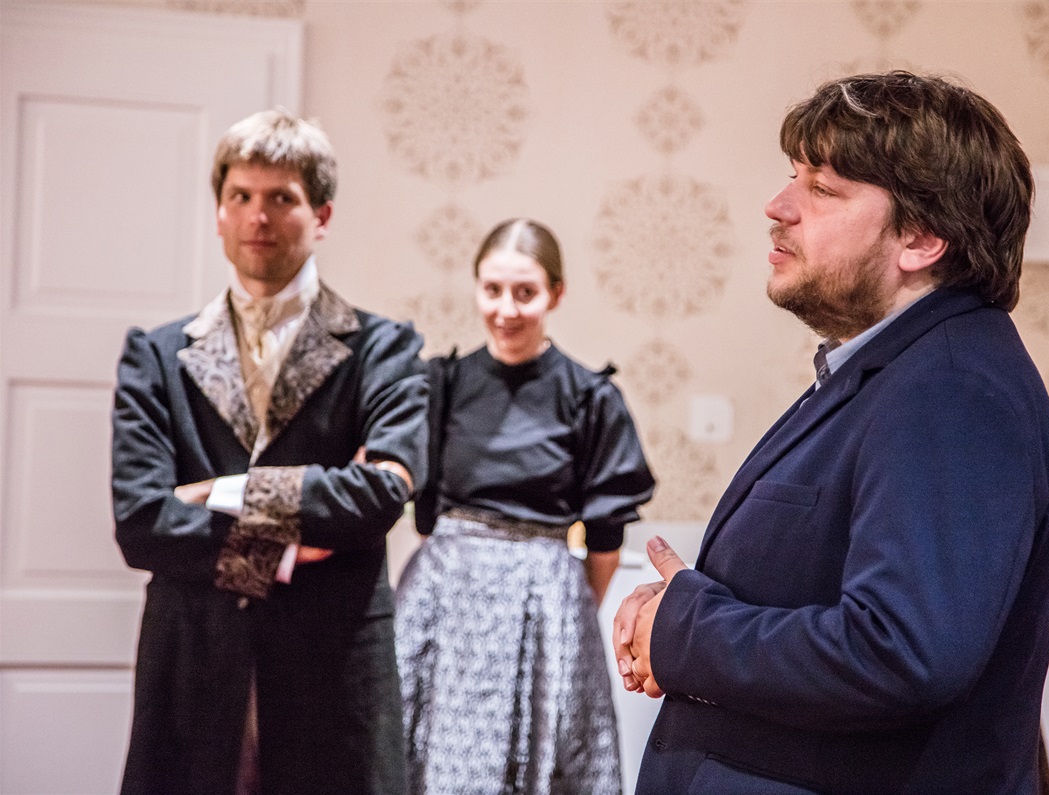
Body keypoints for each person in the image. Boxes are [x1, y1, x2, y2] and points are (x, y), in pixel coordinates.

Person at [614, 71, 1049, 795]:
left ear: (922, 236)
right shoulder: (898, 371)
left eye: (822, 188)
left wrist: (685, 633)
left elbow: (899, 651)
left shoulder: (951, 389)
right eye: (793, 176)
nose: (778, 206)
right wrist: (684, 611)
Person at [111, 108, 427, 795]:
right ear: (219, 213)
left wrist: (217, 492)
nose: (259, 216)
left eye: (282, 197)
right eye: (241, 196)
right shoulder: (156, 355)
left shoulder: (384, 348)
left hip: (332, 668)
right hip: (193, 660)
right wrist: (285, 548)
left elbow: (381, 495)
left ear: (321, 215)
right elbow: (141, 523)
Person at [395, 218, 656, 794]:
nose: (506, 310)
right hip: (444, 596)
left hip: (546, 601)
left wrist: (565, 612)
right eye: (492, 290)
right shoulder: (441, 384)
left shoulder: (590, 397)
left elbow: (605, 540)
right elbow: (426, 519)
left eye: (525, 292)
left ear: (555, 295)